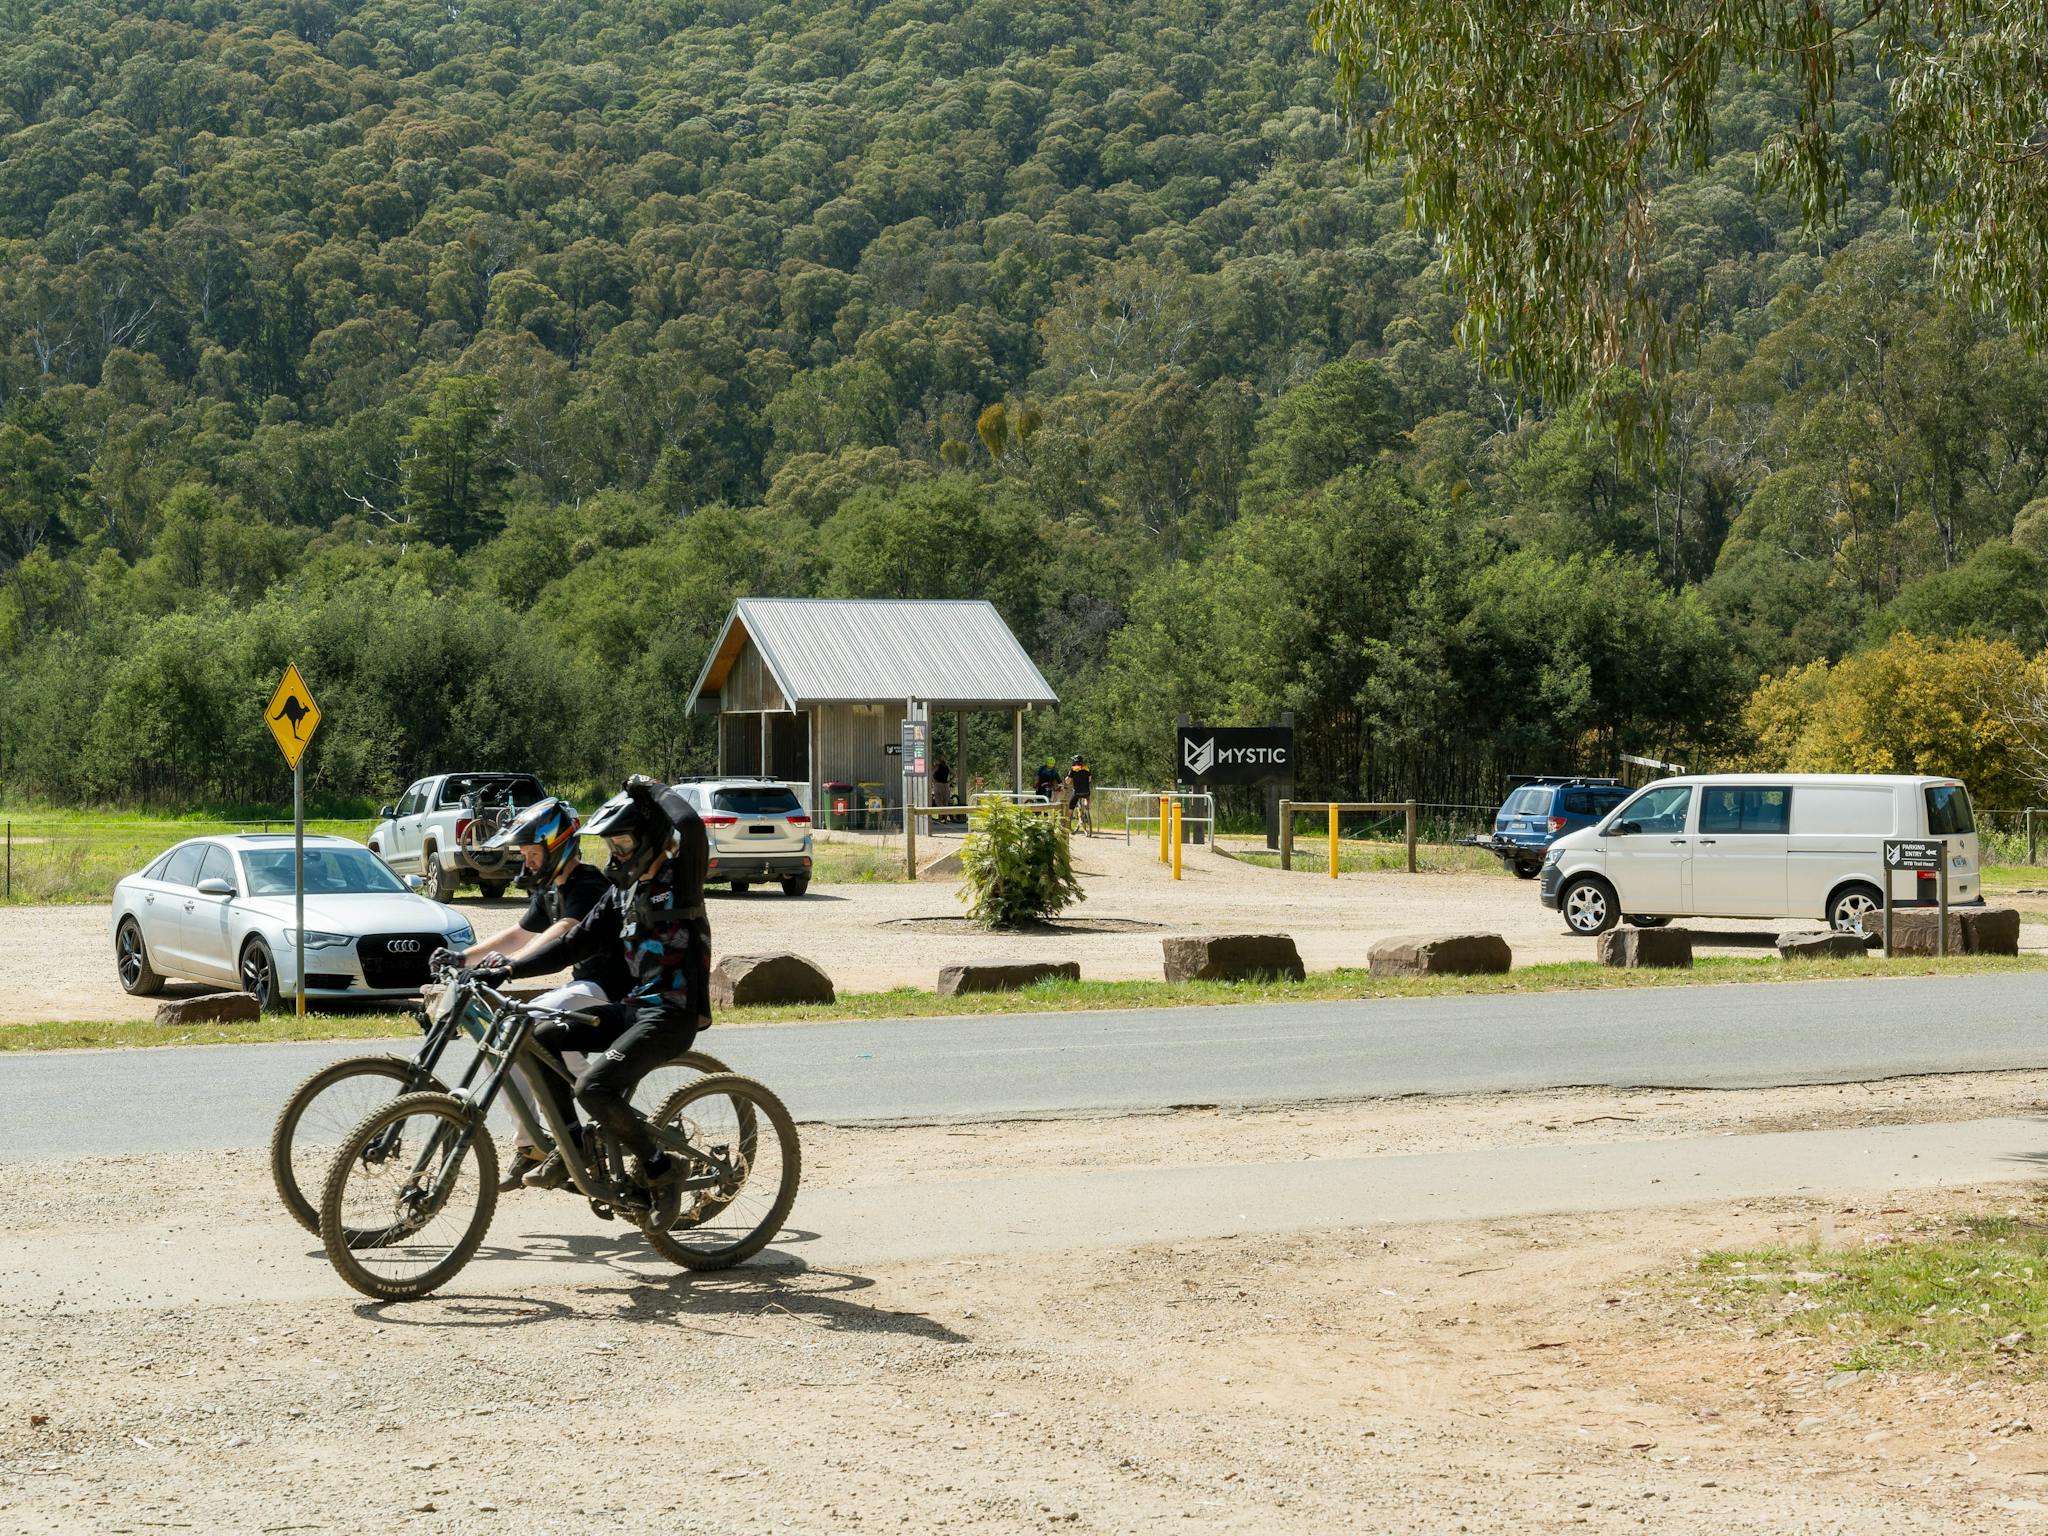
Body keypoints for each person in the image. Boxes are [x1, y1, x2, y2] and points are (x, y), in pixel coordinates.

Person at [486, 775, 712, 1201]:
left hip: (673, 1013)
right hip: (634, 1007)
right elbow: (572, 946)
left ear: (648, 838)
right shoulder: (620, 894)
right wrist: (509, 970)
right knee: (540, 1038)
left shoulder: (680, 877)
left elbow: (693, 827)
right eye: (611, 846)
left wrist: (654, 789)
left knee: (592, 1087)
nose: (616, 853)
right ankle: (573, 1151)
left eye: (622, 843)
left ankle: (662, 1168)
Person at [444, 797, 626, 1190]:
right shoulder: (550, 889)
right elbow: (518, 934)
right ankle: (532, 1145)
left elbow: (557, 938)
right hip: (582, 989)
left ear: (556, 847)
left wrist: (507, 969)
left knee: (530, 1022)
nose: (526, 861)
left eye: (532, 853)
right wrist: (462, 958)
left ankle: (599, 1104)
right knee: (500, 1039)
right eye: (523, 853)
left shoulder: (588, 884)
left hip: (610, 989)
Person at [1066, 752, 1093, 834]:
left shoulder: (1073, 769)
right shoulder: (1086, 768)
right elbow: (1089, 779)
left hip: (1077, 792)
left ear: (1074, 762)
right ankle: (1086, 809)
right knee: (1087, 797)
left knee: (1070, 807)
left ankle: (1068, 823)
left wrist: (1067, 780)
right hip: (1086, 791)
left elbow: (1068, 781)